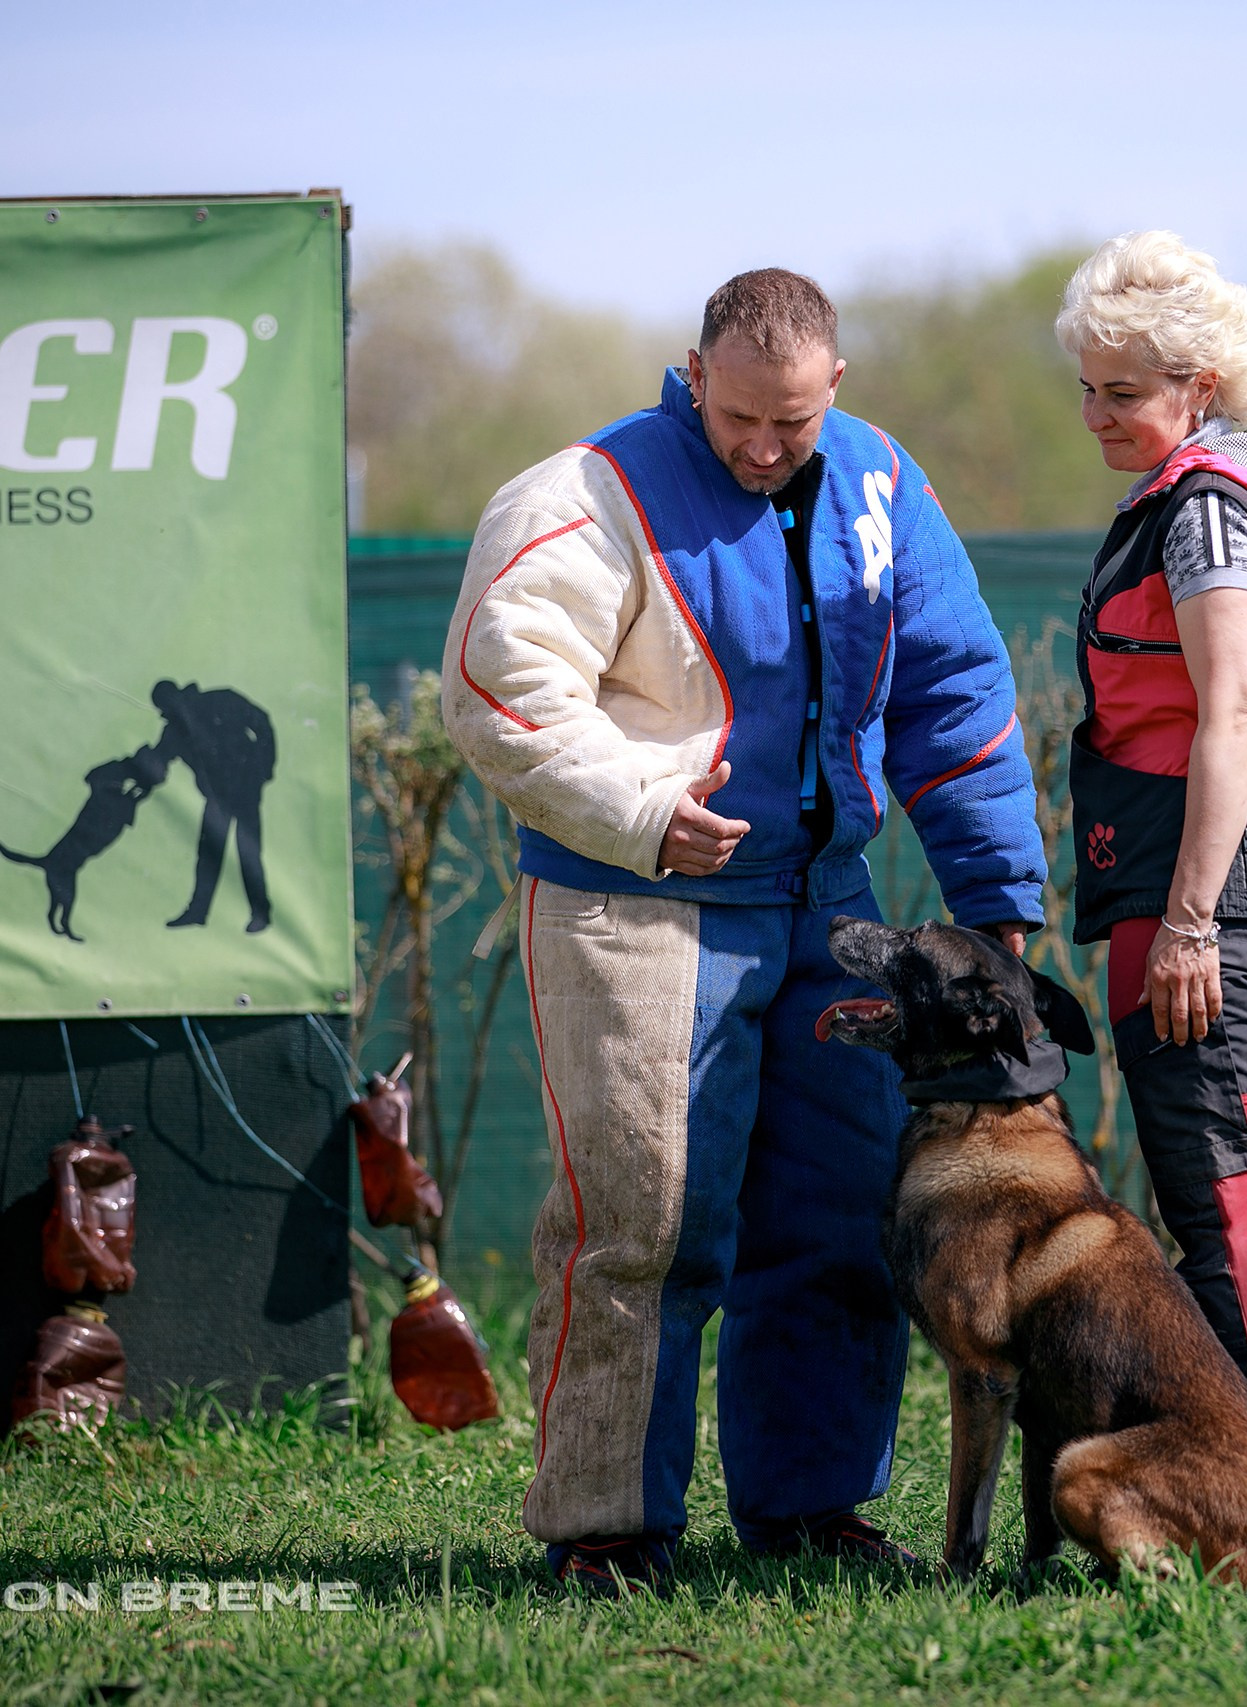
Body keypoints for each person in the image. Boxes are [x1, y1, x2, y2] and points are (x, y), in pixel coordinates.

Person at [442, 268, 1045, 1596]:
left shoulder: (882, 480)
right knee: (643, 1222)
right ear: (693, 373)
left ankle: (813, 1507)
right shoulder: (585, 492)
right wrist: (644, 809)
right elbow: (499, 682)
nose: (766, 448)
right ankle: (606, 1528)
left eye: (794, 422)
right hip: (633, 897)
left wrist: (997, 897)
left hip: (827, 904)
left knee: (841, 1212)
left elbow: (953, 685)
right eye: (739, 420)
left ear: (837, 387)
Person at [1053, 232, 1247, 1573]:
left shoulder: (1205, 511)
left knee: (1226, 1199)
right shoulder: (1243, 489)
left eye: (1123, 391)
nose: (1096, 413)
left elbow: (1228, 714)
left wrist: (1186, 921)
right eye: (1087, 387)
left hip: (1207, 886)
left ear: (1198, 385)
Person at [147, 680, 275, 932]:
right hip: (217, 795)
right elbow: (157, 762)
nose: (170, 711)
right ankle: (198, 911)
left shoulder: (221, 700)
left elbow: (261, 721)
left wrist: (264, 767)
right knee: (209, 852)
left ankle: (260, 913)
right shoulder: (175, 731)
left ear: (179, 695)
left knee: (247, 851)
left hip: (245, 786)